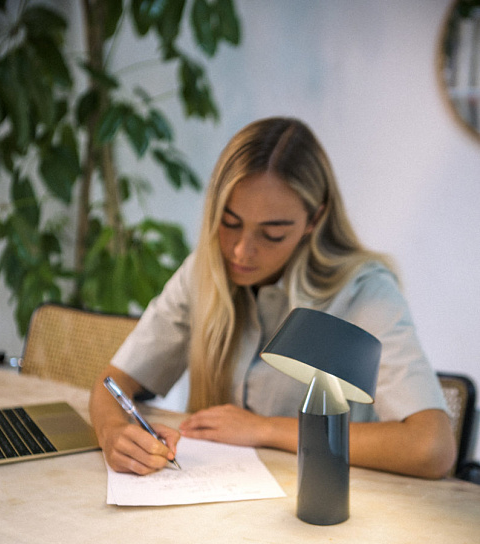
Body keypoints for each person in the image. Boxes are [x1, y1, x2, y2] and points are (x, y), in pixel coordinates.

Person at [89, 117, 456, 479]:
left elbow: (432, 446)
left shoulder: (364, 292)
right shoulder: (202, 272)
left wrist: (265, 429)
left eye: (272, 233)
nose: (241, 251)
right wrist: (113, 433)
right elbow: (114, 384)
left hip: (325, 500)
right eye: (230, 222)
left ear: (315, 219)